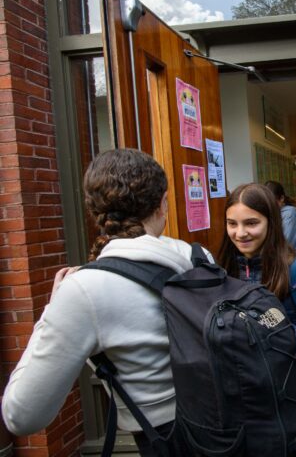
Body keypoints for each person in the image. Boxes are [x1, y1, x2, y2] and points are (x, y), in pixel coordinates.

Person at [2, 149, 208, 455]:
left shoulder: (84, 289)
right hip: (222, 425)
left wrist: (49, 313)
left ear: (93, 210)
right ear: (163, 203)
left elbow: (21, 415)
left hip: (165, 441)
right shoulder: (199, 258)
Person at [217, 183, 296, 457]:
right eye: (232, 223)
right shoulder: (221, 271)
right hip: (257, 390)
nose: (240, 233)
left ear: (271, 222)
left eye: (251, 223)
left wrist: (282, 346)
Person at [266, 180, 296, 251]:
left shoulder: (289, 214)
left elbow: (285, 242)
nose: (269, 206)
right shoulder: (274, 213)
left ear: (281, 198)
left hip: (288, 258)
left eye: (272, 202)